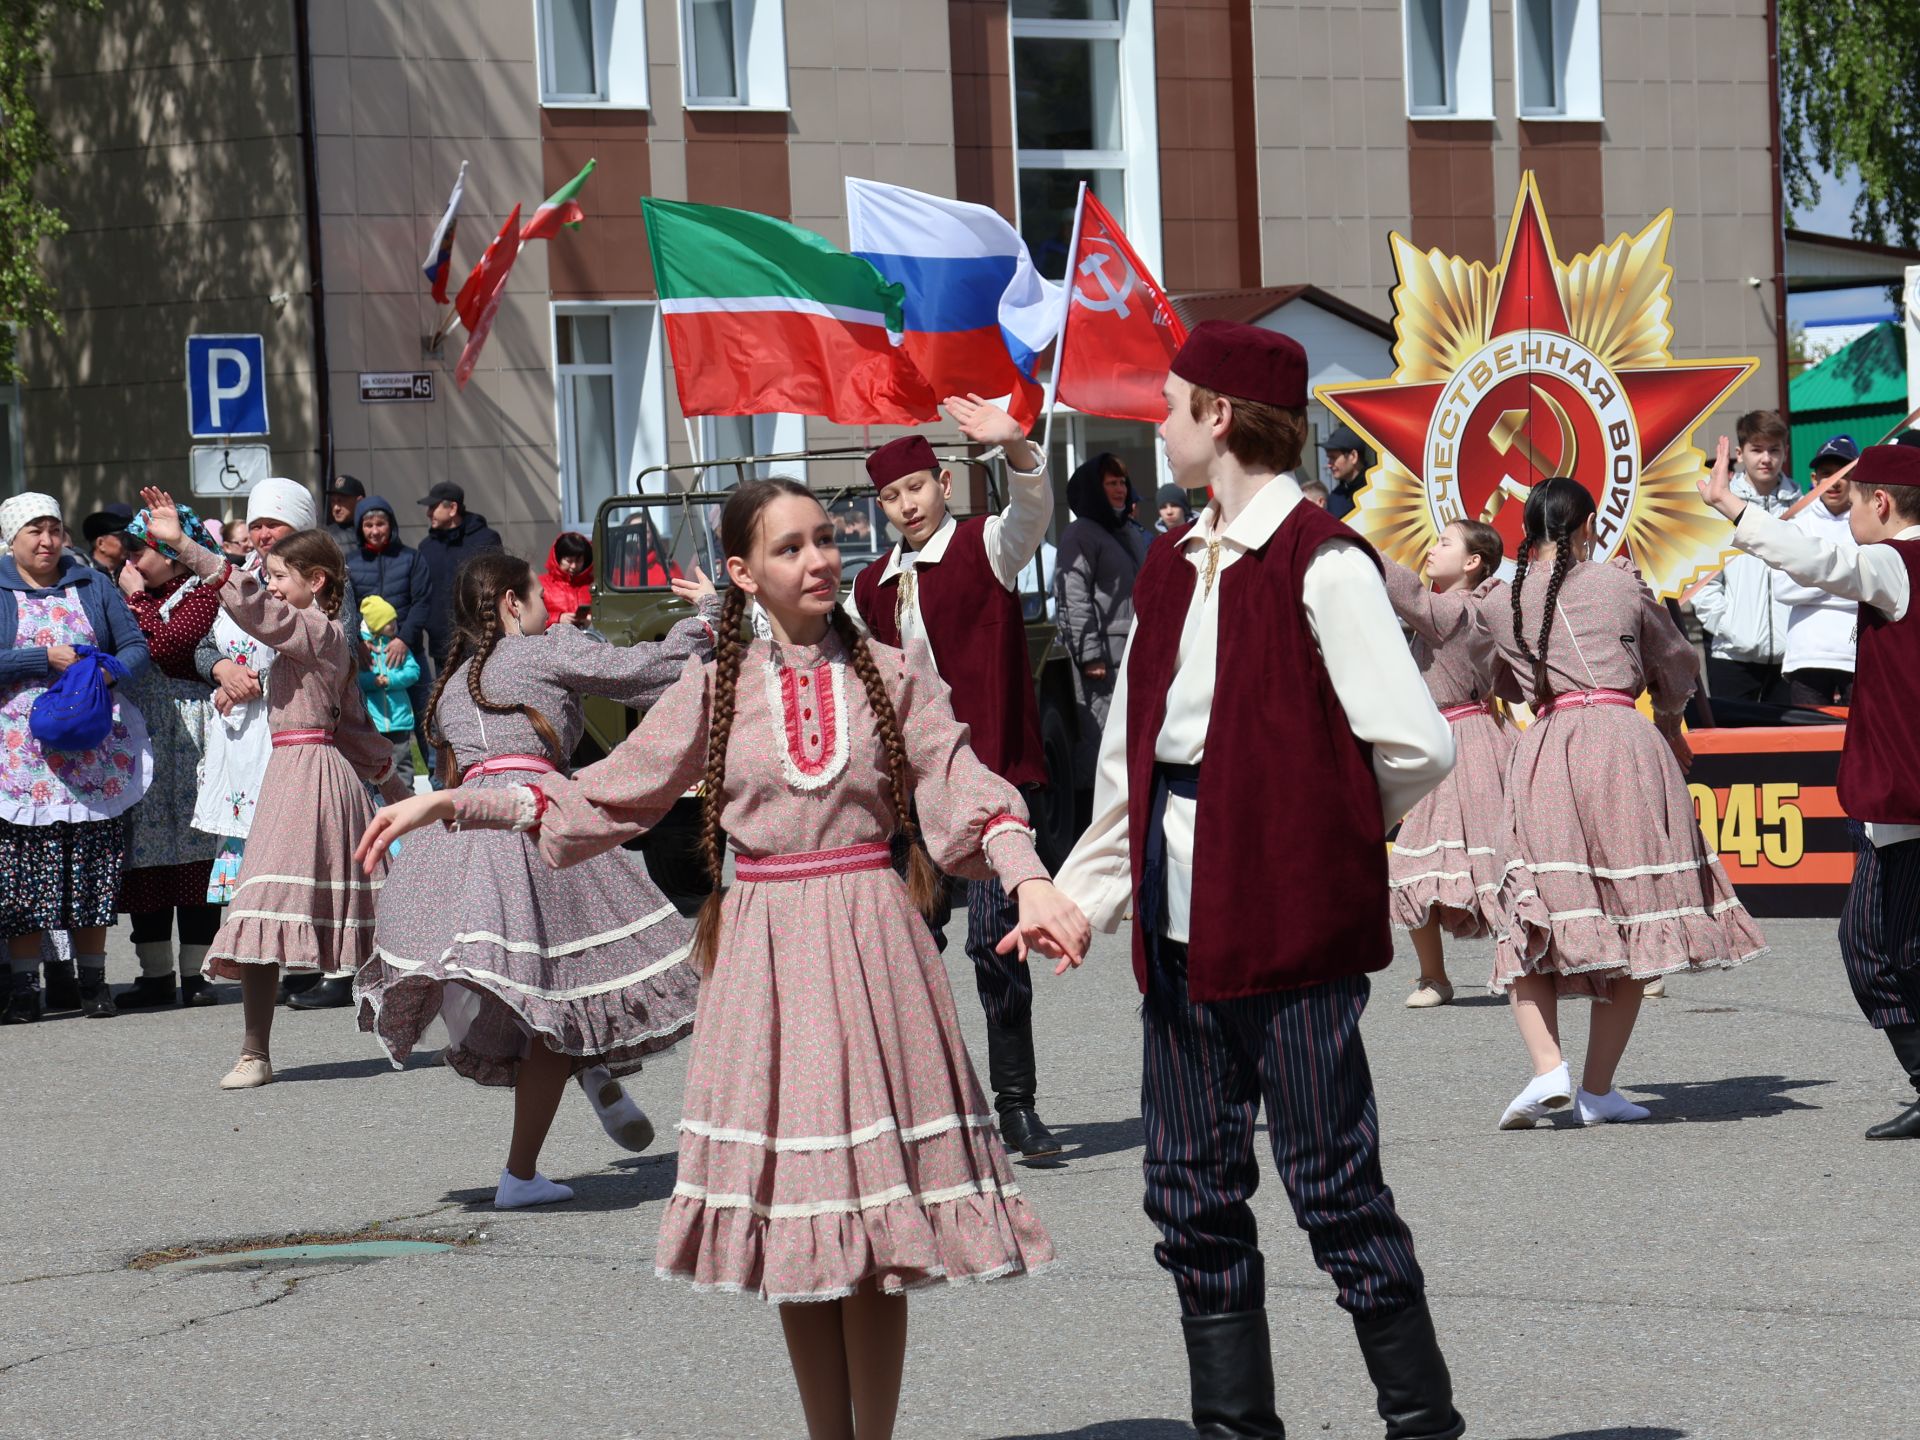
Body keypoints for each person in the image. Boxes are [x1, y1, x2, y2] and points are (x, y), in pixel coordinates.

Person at [361, 477, 1084, 1438]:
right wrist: (454, 803)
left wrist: (1028, 875)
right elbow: (602, 797)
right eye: (790, 547)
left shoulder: (891, 671)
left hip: (874, 950)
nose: (819, 559)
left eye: (826, 540)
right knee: (802, 1215)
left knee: (873, 1220)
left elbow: (960, 781)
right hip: (768, 955)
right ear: (742, 573)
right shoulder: (715, 687)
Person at [1053, 322, 1464, 1440]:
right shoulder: (1176, 562)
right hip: (1184, 926)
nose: (1158, 419)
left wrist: (1315, 840)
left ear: (1222, 417)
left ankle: (1423, 1425)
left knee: (1334, 1191)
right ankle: (1237, 1432)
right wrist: (1078, 899)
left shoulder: (1321, 559)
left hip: (1286, 927)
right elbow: (1131, 763)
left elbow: (1419, 743)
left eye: (1174, 401)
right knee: (1188, 1192)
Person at [354, 552, 720, 1208]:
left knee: (535, 986)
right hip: (530, 821)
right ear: (510, 604)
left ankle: (593, 1077)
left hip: (462, 831)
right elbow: (647, 674)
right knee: (556, 988)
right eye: (536, 593)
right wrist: (709, 617)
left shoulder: (456, 679)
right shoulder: (541, 653)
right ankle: (524, 1168)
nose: (548, 602)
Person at [1482, 477, 1767, 1130]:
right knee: (1635, 911)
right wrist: (1669, 721)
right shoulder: (1621, 583)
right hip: (1623, 746)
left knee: (1533, 904)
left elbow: (1501, 677)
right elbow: (1678, 662)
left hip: (1547, 749)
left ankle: (1547, 1068)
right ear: (1585, 527)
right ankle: (1598, 1088)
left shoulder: (1501, 601)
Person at [846, 399, 1063, 1158]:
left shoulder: (985, 548)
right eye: (890, 496)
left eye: (916, 488)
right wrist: (725, 606)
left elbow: (1031, 514)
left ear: (943, 483)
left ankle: (1016, 1107)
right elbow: (819, 642)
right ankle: (914, 1111)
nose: (905, 505)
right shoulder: (871, 585)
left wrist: (1020, 452)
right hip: (912, 798)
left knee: (995, 945)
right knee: (905, 947)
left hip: (994, 782)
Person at [135, 487, 409, 1086]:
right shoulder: (309, 637)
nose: (272, 584)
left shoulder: (323, 633)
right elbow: (359, 730)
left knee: (276, 901)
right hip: (284, 773)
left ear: (315, 580)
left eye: (281, 576)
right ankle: (255, 1050)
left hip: (311, 777)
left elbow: (261, 612)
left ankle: (417, 1019)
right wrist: (400, 796)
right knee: (264, 904)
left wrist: (184, 544)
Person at [1700, 439, 1920, 1138]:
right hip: (1895, 801)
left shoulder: (1895, 559)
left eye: (1852, 501)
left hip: (1907, 800)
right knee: (1874, 947)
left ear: (1880, 504)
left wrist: (1733, 506)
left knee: (1886, 950)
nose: (1844, 514)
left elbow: (1820, 562)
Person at [0, 494, 152, 1022]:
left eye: (53, 529)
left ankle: (93, 982)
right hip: (20, 755)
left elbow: (135, 644)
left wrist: (104, 673)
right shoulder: (0, 587)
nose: (46, 541)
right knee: (22, 874)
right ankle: (25, 990)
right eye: (33, 532)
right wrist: (41, 657)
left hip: (92, 749)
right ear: (11, 540)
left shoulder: (92, 583)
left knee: (90, 866)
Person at [1380, 520, 1534, 1009]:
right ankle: (1433, 977)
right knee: (1416, 858)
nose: (1433, 548)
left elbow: (1407, 595)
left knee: (1492, 858)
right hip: (1440, 739)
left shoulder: (1460, 609)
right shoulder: (1461, 609)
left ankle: (1524, 963)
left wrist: (1355, 547)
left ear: (1473, 562)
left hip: (1466, 742)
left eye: (1445, 543)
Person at [114, 504, 226, 1010]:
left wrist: (135, 600)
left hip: (193, 728)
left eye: (141, 550)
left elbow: (166, 646)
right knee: (147, 848)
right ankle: (156, 973)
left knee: (198, 845)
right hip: (143, 730)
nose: (131, 558)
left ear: (174, 556)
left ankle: (198, 974)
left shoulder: (204, 592)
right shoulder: (133, 595)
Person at [1690, 409, 1798, 704]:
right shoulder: (1719, 507)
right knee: (1736, 745)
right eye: (1757, 449)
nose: (1766, 458)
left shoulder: (1803, 508)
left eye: (1774, 449)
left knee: (1790, 747)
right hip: (1732, 655)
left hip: (1790, 659)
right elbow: (1703, 579)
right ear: (1740, 453)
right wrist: (1728, 626)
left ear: (1785, 452)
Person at [1056, 453, 1150, 787]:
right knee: (1102, 747)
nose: (1121, 489)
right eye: (1111, 483)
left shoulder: (1127, 531)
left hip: (1133, 655)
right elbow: (1073, 596)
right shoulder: (1080, 534)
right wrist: (1090, 654)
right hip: (1103, 663)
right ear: (1094, 489)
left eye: (1123, 482)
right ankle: (1094, 826)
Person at [1776, 435, 1861, 707]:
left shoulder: (1869, 523)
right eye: (1826, 474)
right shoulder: (1798, 524)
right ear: (1814, 479)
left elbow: (1873, 588)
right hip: (1807, 655)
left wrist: (1811, 573)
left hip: (1856, 655)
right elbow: (1783, 588)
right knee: (1808, 739)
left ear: (1855, 478)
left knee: (1859, 741)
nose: (1833, 482)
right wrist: (1844, 576)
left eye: (1842, 473)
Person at [356, 595, 422, 793]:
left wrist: (391, 680)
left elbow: (413, 671)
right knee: (376, 764)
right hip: (374, 721)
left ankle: (407, 798)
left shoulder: (396, 647)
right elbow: (355, 678)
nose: (394, 624)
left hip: (399, 719)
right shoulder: (363, 650)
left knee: (402, 760)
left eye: (394, 620)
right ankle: (378, 801)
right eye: (388, 622)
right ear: (375, 624)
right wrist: (373, 682)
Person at [540, 531, 595, 627]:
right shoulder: (540, 584)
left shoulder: (594, 584)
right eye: (569, 561)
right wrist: (557, 618)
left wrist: (592, 621)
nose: (573, 566)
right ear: (558, 558)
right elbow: (529, 617)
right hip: (553, 640)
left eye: (579, 561)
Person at [1319, 422, 1371, 520]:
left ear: (1353, 456)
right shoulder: (1334, 498)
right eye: (1328, 458)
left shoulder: (1378, 490)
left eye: (1333, 458)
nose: (1329, 464)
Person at [81, 503, 134, 578]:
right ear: (101, 543)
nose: (127, 542)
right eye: (122, 537)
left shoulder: (131, 572)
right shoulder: (84, 575)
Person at [325, 475, 365, 548]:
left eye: (341, 501)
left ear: (359, 501)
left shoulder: (373, 531)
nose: (336, 508)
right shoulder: (325, 536)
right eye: (333, 501)